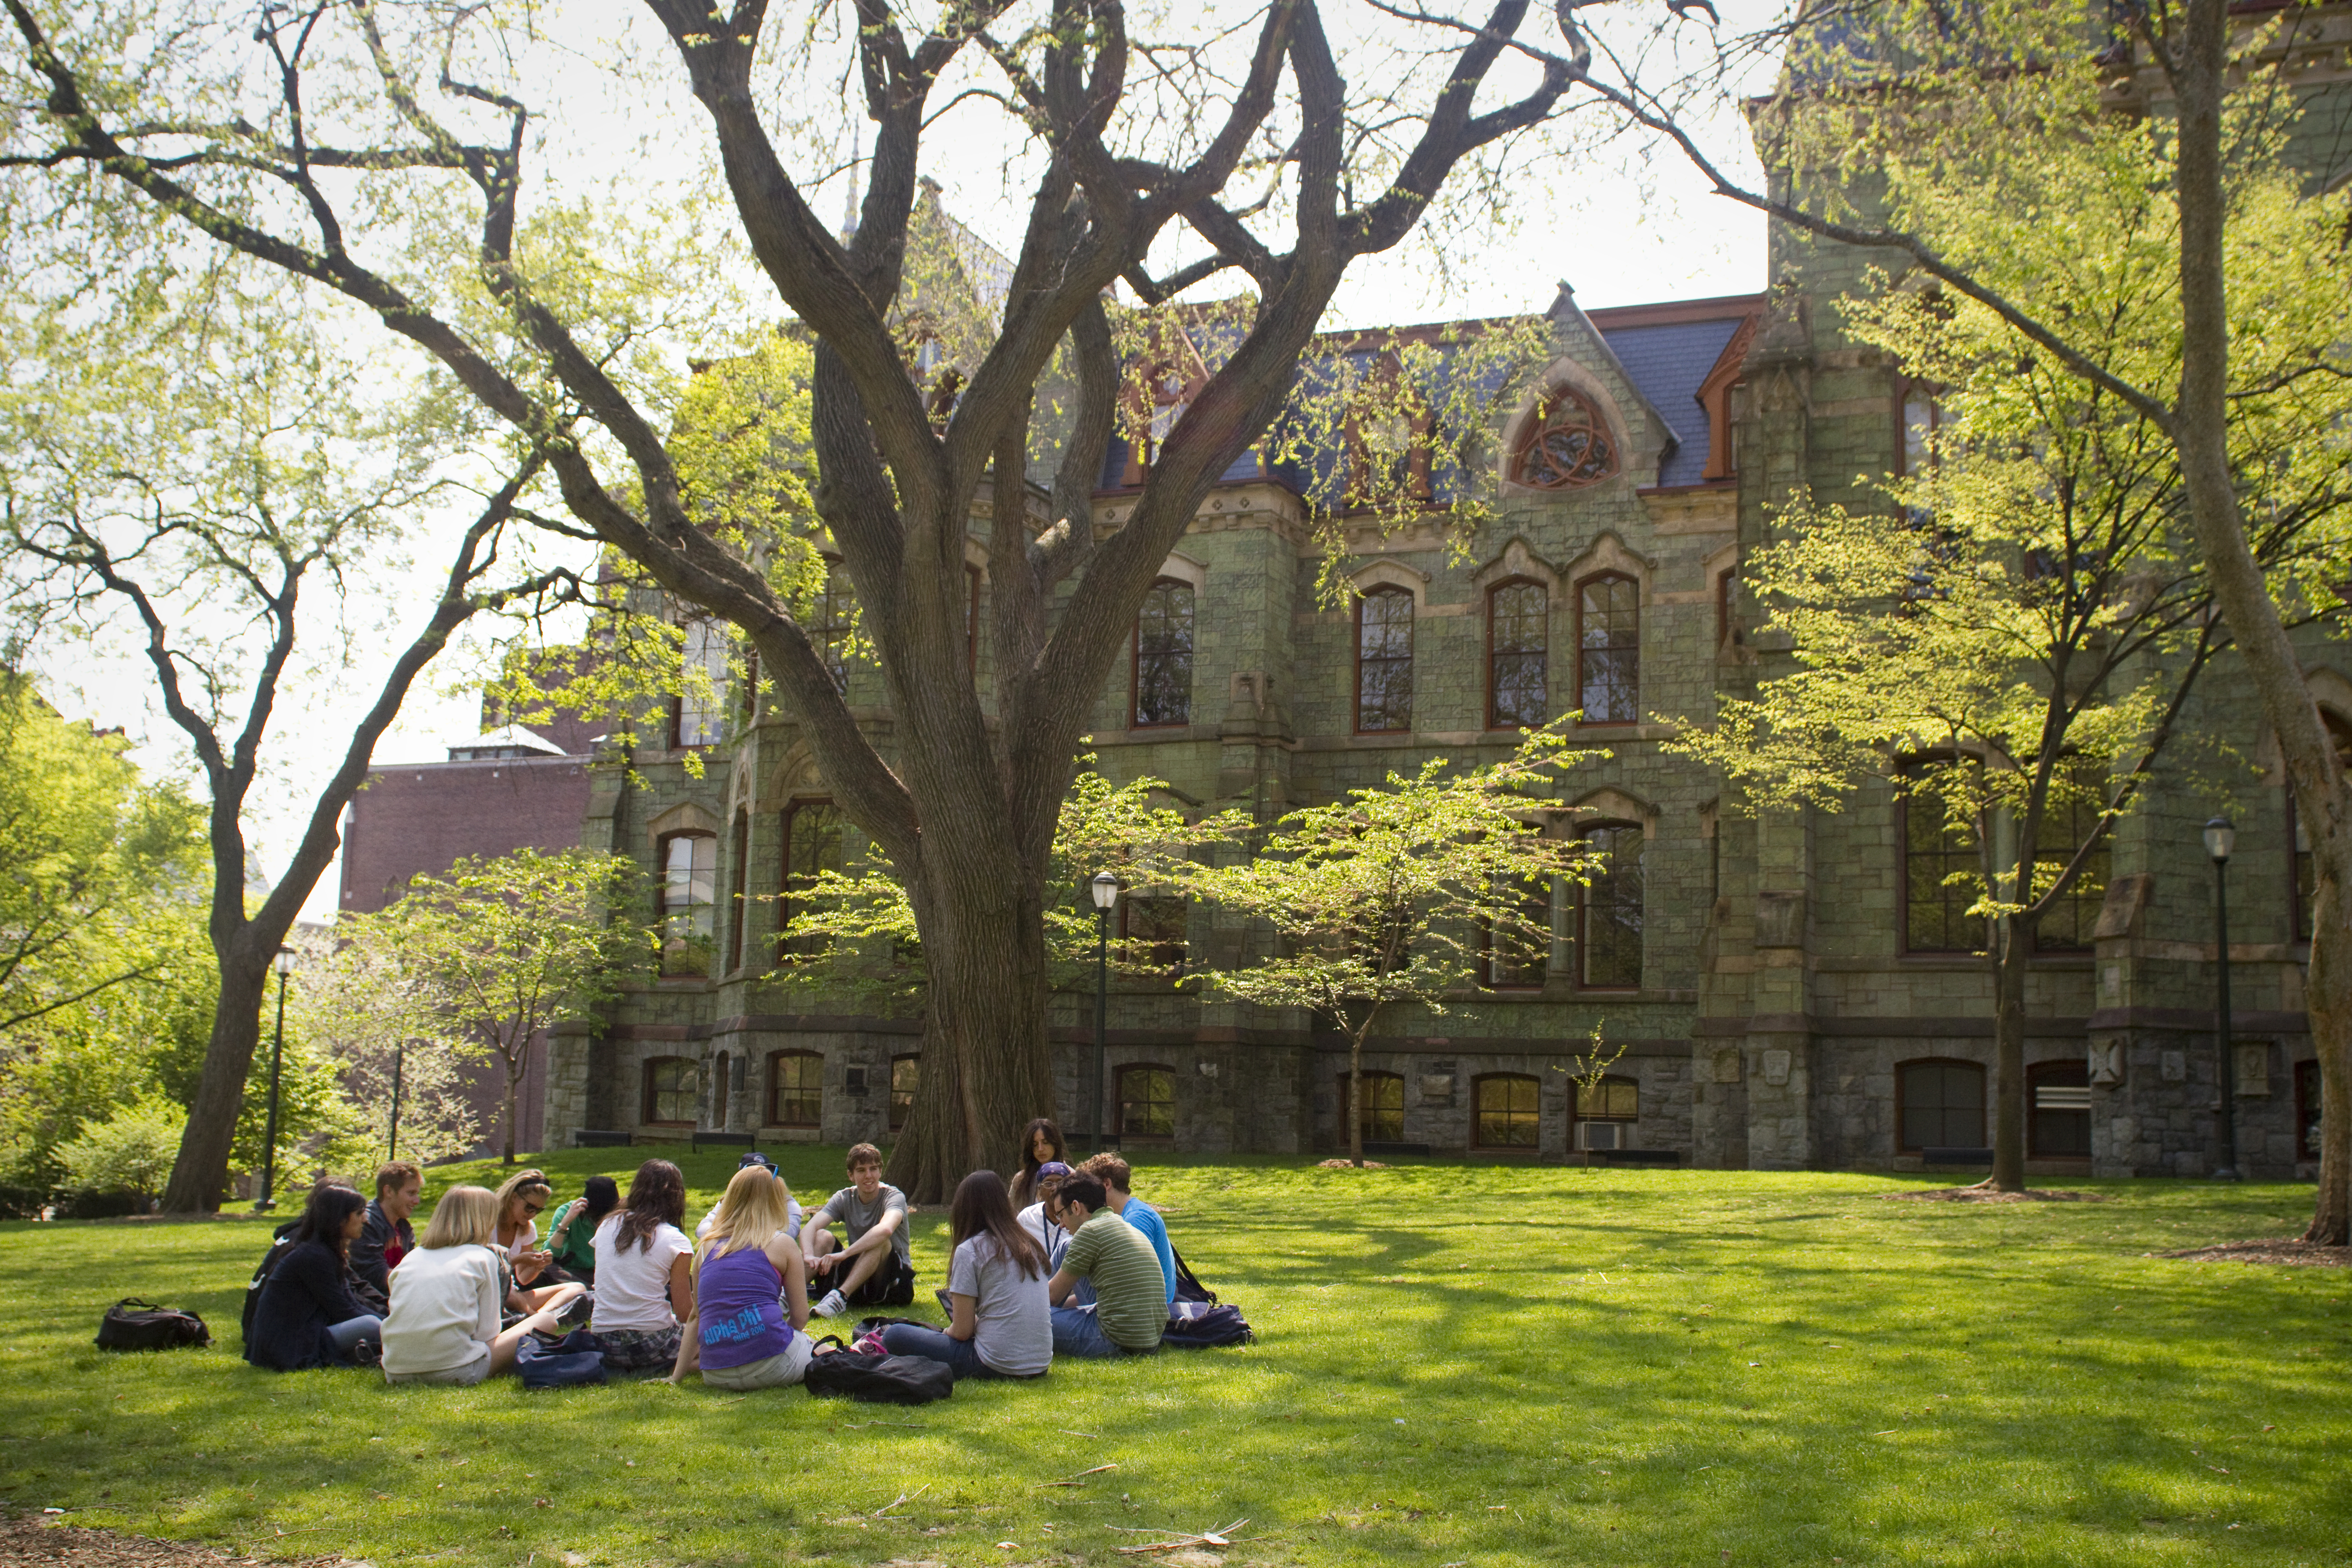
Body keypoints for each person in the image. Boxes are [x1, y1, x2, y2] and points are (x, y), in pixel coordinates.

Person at [381, 1186, 581, 1386]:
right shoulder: (483, 1257)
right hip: (456, 1370)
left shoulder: (411, 1259)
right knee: (547, 1321)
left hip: (395, 1372)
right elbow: (488, 1332)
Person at [881, 1171, 1051, 1380]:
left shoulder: (970, 1250)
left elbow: (962, 1331)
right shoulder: (1029, 1244)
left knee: (895, 1334)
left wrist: (944, 1334)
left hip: (993, 1363)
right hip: (1040, 1363)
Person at [668, 1163, 811, 1390]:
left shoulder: (705, 1248)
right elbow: (801, 1317)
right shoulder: (782, 1244)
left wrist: (676, 1377)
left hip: (716, 1375)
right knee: (815, 1346)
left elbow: (696, 1317)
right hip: (773, 1366)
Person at [244, 1183, 384, 1371]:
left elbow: (352, 1303)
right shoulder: (314, 1256)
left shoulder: (325, 1252)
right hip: (287, 1343)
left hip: (303, 1333)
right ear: (341, 1219)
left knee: (376, 1324)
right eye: (359, 1214)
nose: (366, 1220)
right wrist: (392, 1327)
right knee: (372, 1326)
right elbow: (343, 1311)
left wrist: (392, 1320)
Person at [590, 1159, 696, 1373]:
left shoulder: (607, 1226)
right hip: (652, 1340)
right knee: (718, 1335)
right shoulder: (675, 1240)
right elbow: (686, 1313)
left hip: (603, 1341)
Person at [1044, 1171, 1164, 1358]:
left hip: (1116, 1341)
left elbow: (1052, 1295)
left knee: (1032, 1318)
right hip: (1150, 1339)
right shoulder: (1121, 1223)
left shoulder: (1090, 1232)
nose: (1061, 1225)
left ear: (1076, 1207)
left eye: (1061, 1215)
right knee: (1066, 1247)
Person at [802, 1143, 912, 1318]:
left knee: (881, 1241)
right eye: (861, 1170)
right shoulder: (844, 1197)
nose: (869, 1176)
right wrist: (808, 1255)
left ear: (880, 1172)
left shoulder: (894, 1196)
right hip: (860, 1275)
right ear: (851, 1175)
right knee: (822, 1236)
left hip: (894, 1280)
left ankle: (840, 1297)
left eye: (873, 1169)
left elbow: (886, 1230)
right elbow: (810, 1227)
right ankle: (791, 1295)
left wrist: (845, 1255)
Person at [1079, 1153, 1176, 1304]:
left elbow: (1131, 1281)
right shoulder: (1127, 1215)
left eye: (1088, 1189)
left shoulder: (1136, 1219)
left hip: (1145, 1313)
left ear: (1106, 1184)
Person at [351, 1160, 421, 1312]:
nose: (417, 1201)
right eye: (411, 1193)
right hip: (372, 1308)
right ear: (388, 1191)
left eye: (417, 1194)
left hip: (398, 1302)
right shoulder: (365, 1225)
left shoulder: (404, 1229)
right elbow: (376, 1276)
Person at [694, 1151, 802, 1242]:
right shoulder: (730, 1200)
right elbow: (702, 1229)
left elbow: (790, 1233)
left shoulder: (786, 1202)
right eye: (751, 1176)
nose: (758, 1181)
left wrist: (743, 1235)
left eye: (764, 1175)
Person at [490, 1168, 564, 1296]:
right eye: (530, 1207)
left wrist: (538, 1266)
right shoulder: (489, 1224)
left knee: (577, 1288)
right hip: (487, 1290)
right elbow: (483, 1271)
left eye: (539, 1210)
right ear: (514, 1197)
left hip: (509, 1292)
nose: (533, 1214)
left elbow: (523, 1279)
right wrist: (518, 1259)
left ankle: (530, 1315)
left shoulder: (528, 1229)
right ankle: (531, 1314)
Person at [544, 1175, 619, 1286]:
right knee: (549, 1270)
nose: (599, 1221)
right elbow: (549, 1255)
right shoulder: (567, 1212)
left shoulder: (622, 1216)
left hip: (608, 1273)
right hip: (574, 1273)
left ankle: (589, 1291)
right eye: (595, 1216)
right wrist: (565, 1223)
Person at [1014, 1161, 1073, 1274]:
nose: (1055, 1188)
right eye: (1048, 1184)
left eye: (1060, 1182)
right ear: (1039, 1190)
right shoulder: (1027, 1218)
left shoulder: (1077, 1217)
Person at [1008, 1118, 1068, 1209]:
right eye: (1035, 1144)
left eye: (1045, 1143)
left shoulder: (1071, 1177)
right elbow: (1011, 1212)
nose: (1040, 1149)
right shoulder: (1020, 1180)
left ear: (1055, 1144)